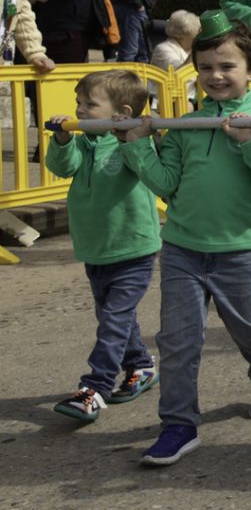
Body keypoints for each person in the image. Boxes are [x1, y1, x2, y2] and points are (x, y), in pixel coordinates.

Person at [119, 12, 251, 466]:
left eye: (227, 66)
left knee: (247, 327)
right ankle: (178, 423)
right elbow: (167, 184)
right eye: (207, 66)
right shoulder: (184, 125)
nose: (215, 75)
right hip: (182, 249)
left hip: (239, 249)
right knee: (177, 339)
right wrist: (137, 145)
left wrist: (248, 141)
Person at [44, 70, 162, 423]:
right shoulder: (83, 140)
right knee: (113, 317)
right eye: (78, 103)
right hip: (95, 247)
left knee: (114, 318)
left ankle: (95, 387)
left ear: (121, 112)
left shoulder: (131, 141)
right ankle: (141, 366)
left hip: (133, 248)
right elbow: (62, 168)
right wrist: (63, 140)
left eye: (89, 105)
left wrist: (131, 137)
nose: (79, 110)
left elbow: (146, 170)